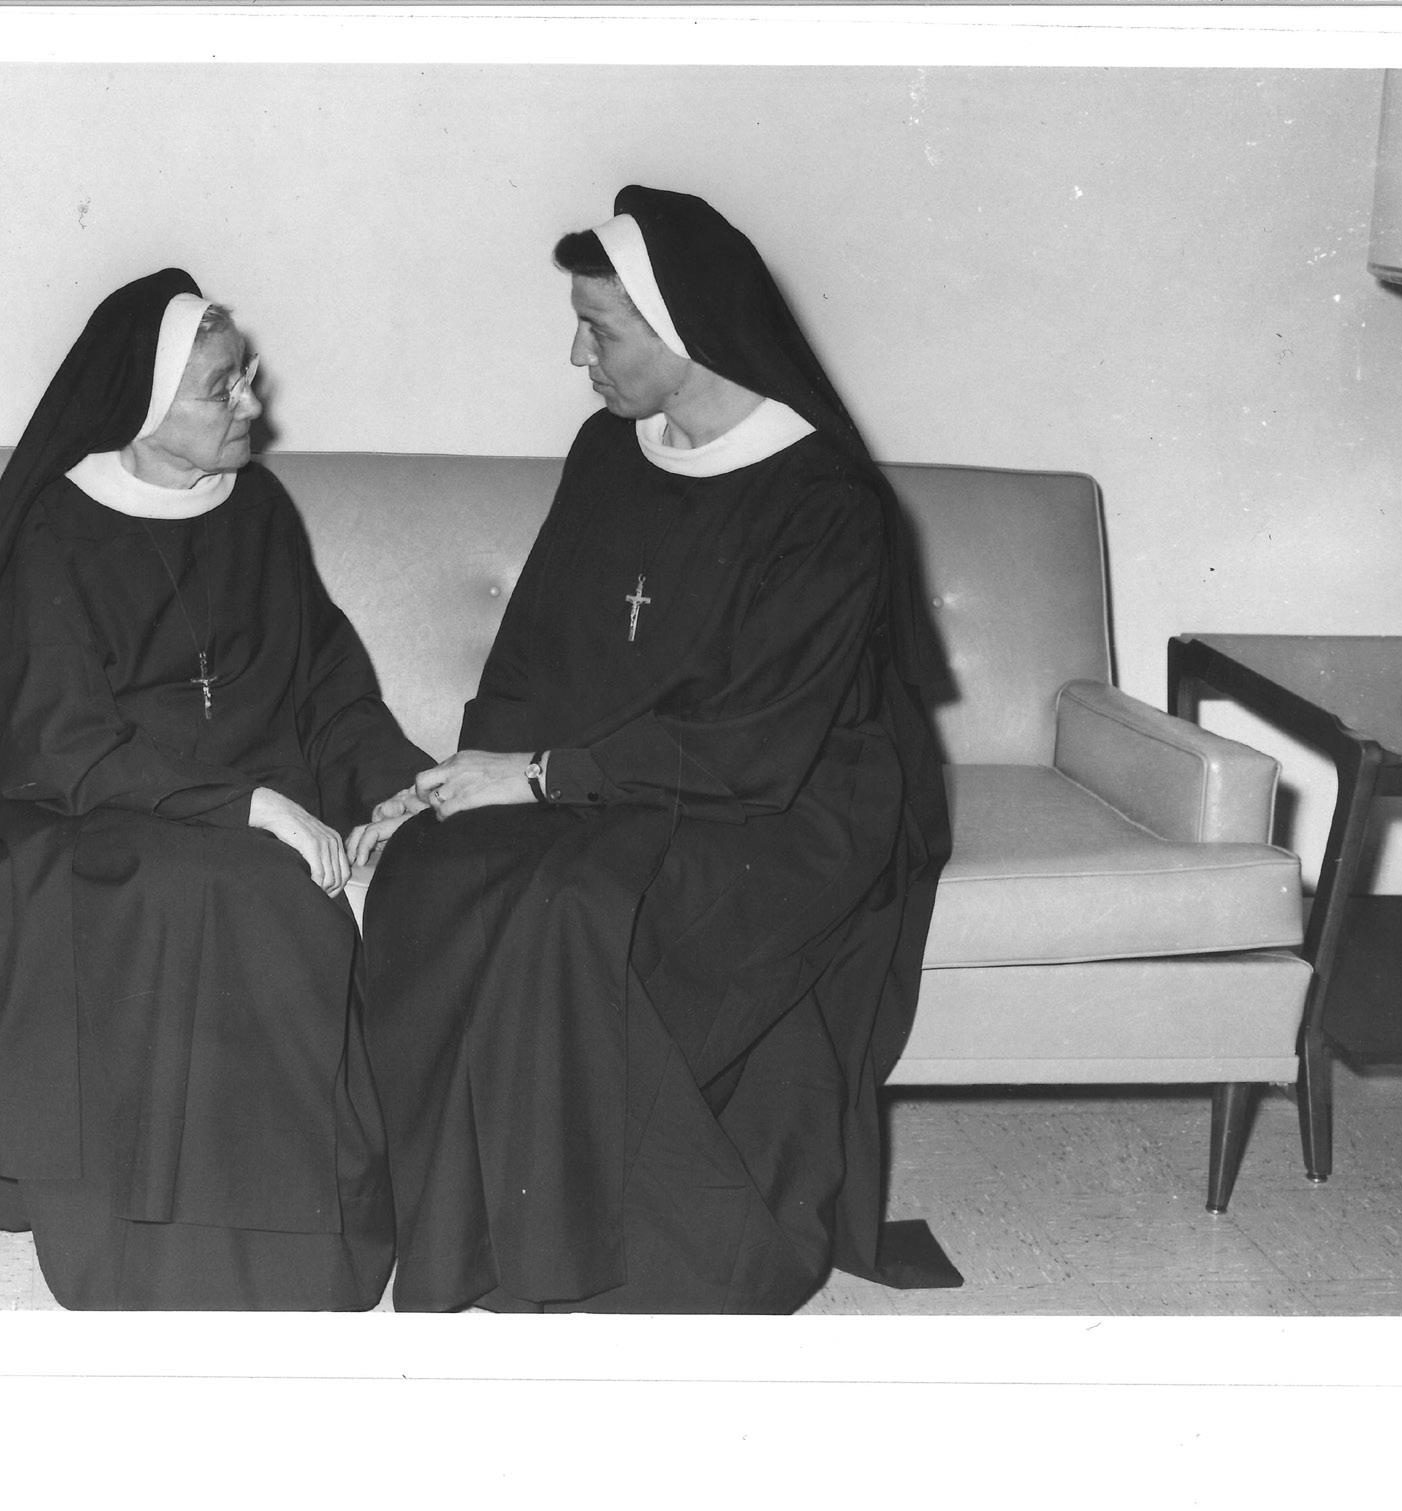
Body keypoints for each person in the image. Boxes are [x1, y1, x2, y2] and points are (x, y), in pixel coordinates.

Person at [349, 187, 958, 1313]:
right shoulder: (608, 450)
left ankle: (575, 1246)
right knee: (437, 870)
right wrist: (453, 782)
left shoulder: (825, 500)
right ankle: (455, 1226)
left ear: (686, 331)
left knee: (574, 906)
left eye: (599, 330)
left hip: (789, 803)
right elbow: (533, 652)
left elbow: (763, 738)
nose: (576, 356)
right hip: (616, 779)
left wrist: (543, 779)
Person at [0, 269, 430, 1310]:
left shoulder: (257, 508)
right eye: (222, 388)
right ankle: (163, 1256)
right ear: (141, 405)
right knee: (237, 890)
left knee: (273, 888)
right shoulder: (55, 526)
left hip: (247, 804)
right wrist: (247, 806)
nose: (252, 403)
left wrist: (395, 790)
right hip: (89, 812)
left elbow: (327, 687)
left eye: (245, 376)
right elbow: (63, 738)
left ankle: (293, 1252)